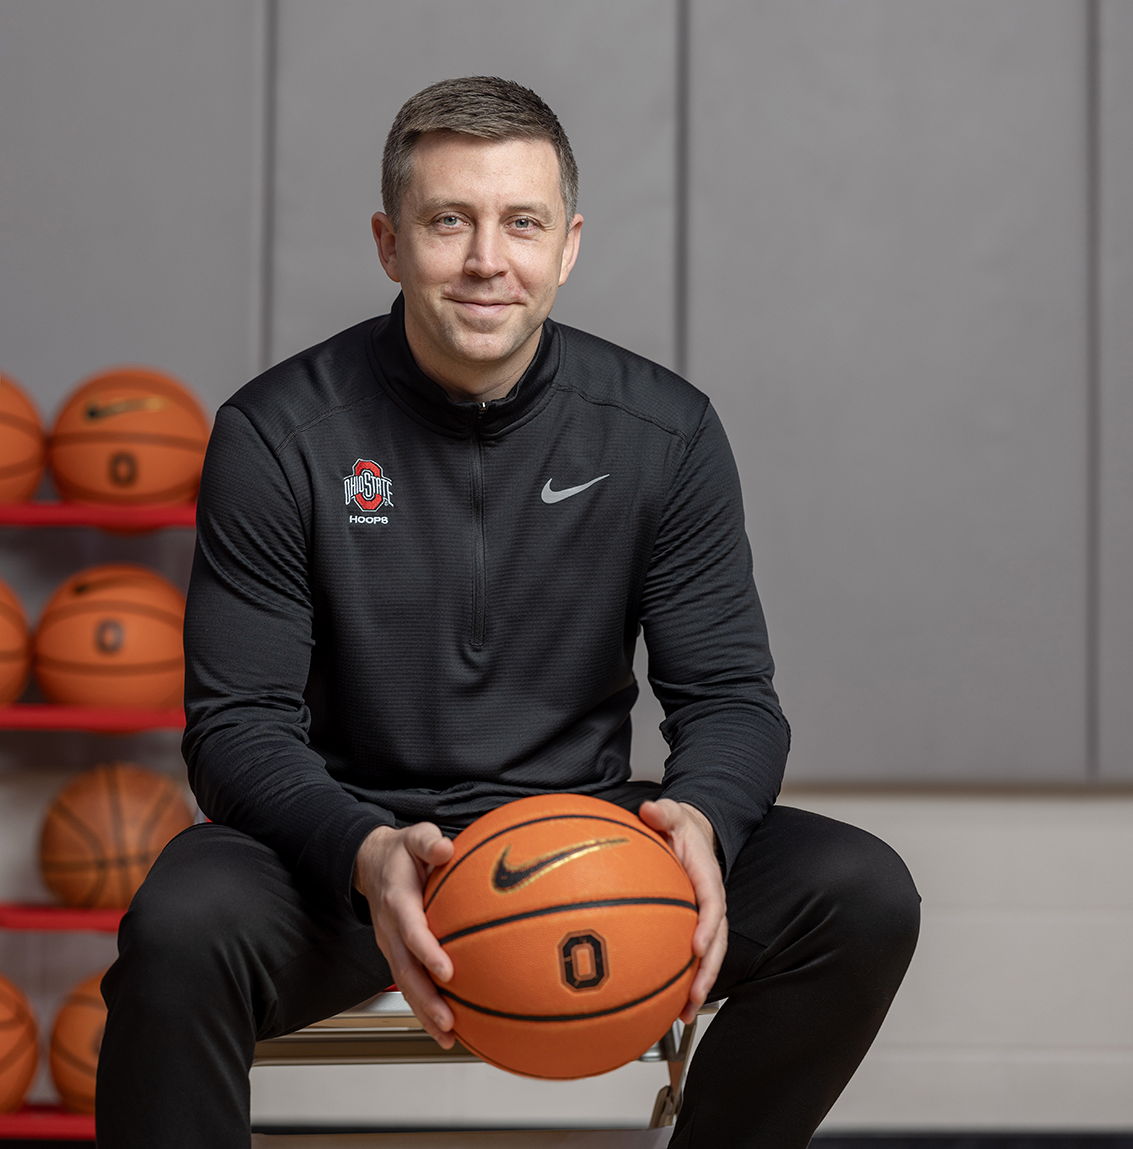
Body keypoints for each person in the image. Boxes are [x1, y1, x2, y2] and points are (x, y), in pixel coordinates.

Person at [97, 76, 919, 1148]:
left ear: (567, 244)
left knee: (859, 895)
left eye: (521, 222)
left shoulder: (662, 434)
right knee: (178, 927)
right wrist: (365, 847)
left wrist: (702, 819)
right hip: (351, 856)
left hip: (580, 840)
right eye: (450, 221)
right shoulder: (277, 433)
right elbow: (235, 727)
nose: (489, 258)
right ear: (390, 244)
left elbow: (727, 697)